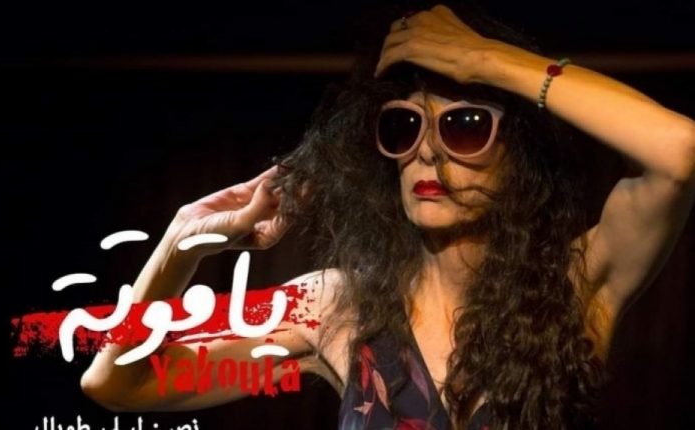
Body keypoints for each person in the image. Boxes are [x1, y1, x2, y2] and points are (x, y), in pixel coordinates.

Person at [80, 2, 695, 429]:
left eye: (464, 125)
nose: (427, 151)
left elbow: (679, 151)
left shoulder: (577, 283)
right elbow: (117, 382)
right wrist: (181, 244)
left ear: (520, 158)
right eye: (404, 126)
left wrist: (487, 62)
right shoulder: (339, 307)